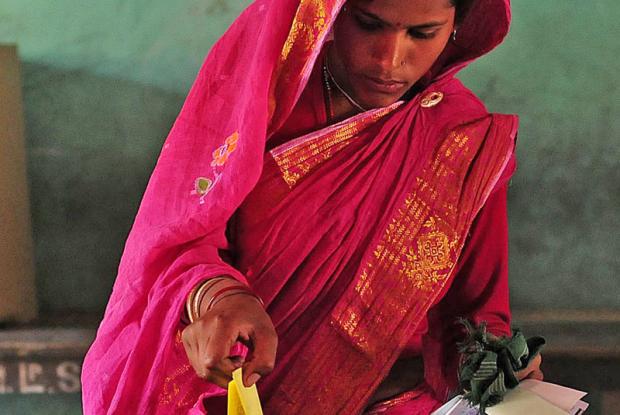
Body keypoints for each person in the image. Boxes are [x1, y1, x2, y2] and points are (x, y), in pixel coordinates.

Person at [81, 0, 543, 414]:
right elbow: (179, 233)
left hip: (387, 400)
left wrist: (496, 366)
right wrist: (222, 296)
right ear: (330, 11)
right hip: (228, 392)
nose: (389, 58)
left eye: (422, 33)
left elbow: (476, 314)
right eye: (368, 25)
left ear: (457, 27)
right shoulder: (265, 93)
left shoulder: (465, 139)